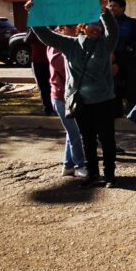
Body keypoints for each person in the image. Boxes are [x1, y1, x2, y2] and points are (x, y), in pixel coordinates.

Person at [30, 0, 119, 188]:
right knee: (87, 139)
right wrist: (34, 14)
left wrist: (104, 11)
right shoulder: (69, 45)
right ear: (81, 27)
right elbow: (46, 36)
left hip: (104, 100)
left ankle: (110, 175)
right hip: (81, 102)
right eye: (91, 24)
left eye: (98, 24)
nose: (96, 27)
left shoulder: (106, 43)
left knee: (107, 139)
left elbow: (114, 31)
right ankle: (93, 174)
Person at [47, 24, 87, 177]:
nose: (76, 30)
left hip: (71, 96)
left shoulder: (74, 42)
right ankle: (79, 165)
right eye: (72, 27)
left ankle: (68, 165)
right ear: (62, 29)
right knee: (75, 132)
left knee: (71, 132)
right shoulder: (56, 45)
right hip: (60, 96)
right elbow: (60, 65)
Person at [109, 0, 136, 115]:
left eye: (115, 6)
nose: (112, 8)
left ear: (123, 8)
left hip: (129, 64)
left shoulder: (131, 23)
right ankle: (116, 116)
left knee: (132, 91)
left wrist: (132, 51)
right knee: (114, 92)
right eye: (111, 6)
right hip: (112, 64)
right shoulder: (106, 24)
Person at [27, 29, 54, 115]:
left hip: (49, 60)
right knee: (43, 86)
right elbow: (26, 40)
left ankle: (52, 107)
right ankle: (48, 108)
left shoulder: (52, 27)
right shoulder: (35, 29)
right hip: (38, 61)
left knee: (50, 85)